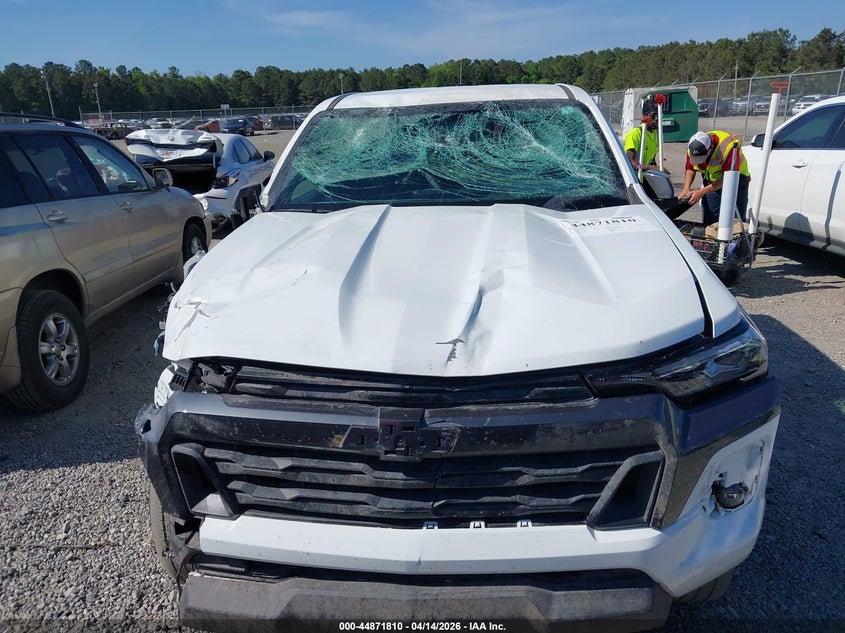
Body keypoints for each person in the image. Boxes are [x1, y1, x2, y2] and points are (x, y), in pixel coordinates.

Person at [678, 130, 751, 226]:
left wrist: (702, 191)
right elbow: (690, 168)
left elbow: (727, 178)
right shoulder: (693, 146)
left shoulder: (729, 146)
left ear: (711, 148)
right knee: (710, 221)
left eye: (702, 157)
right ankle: (712, 237)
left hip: (736, 181)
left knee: (736, 222)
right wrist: (686, 188)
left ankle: (733, 240)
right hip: (711, 180)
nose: (699, 162)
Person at [623, 105, 660, 177]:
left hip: (646, 177)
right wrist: (652, 168)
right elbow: (629, 162)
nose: (656, 119)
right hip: (633, 178)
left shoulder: (656, 134)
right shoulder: (635, 133)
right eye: (653, 116)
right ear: (644, 117)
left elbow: (652, 161)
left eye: (659, 116)